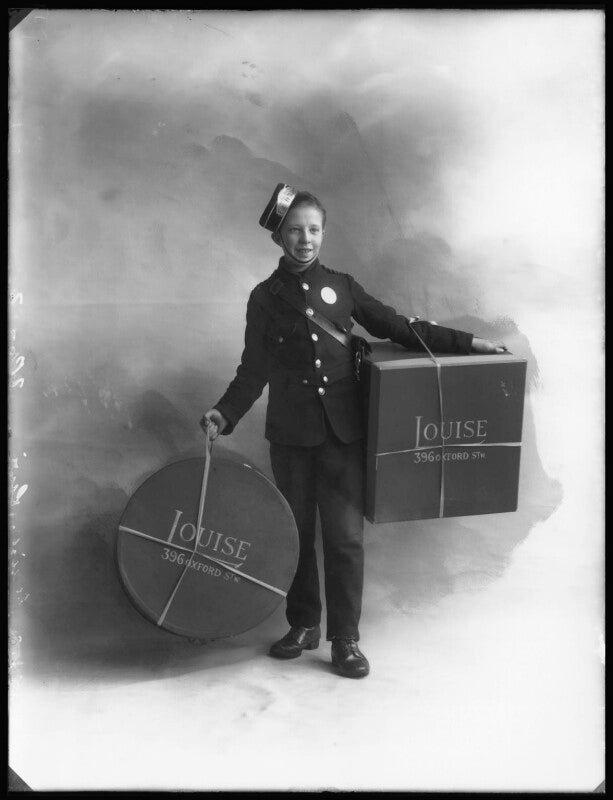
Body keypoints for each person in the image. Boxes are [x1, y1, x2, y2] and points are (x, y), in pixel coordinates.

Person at [201, 183, 506, 679]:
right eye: (295, 230)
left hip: (344, 435)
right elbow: (252, 368)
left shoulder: (342, 287)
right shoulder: (264, 298)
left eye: (314, 230)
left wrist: (469, 342)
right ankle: (303, 624)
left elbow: (398, 326)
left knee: (344, 539)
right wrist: (225, 412)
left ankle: (345, 639)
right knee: (297, 535)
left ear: (324, 233)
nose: (305, 240)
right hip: (291, 437)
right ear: (279, 237)